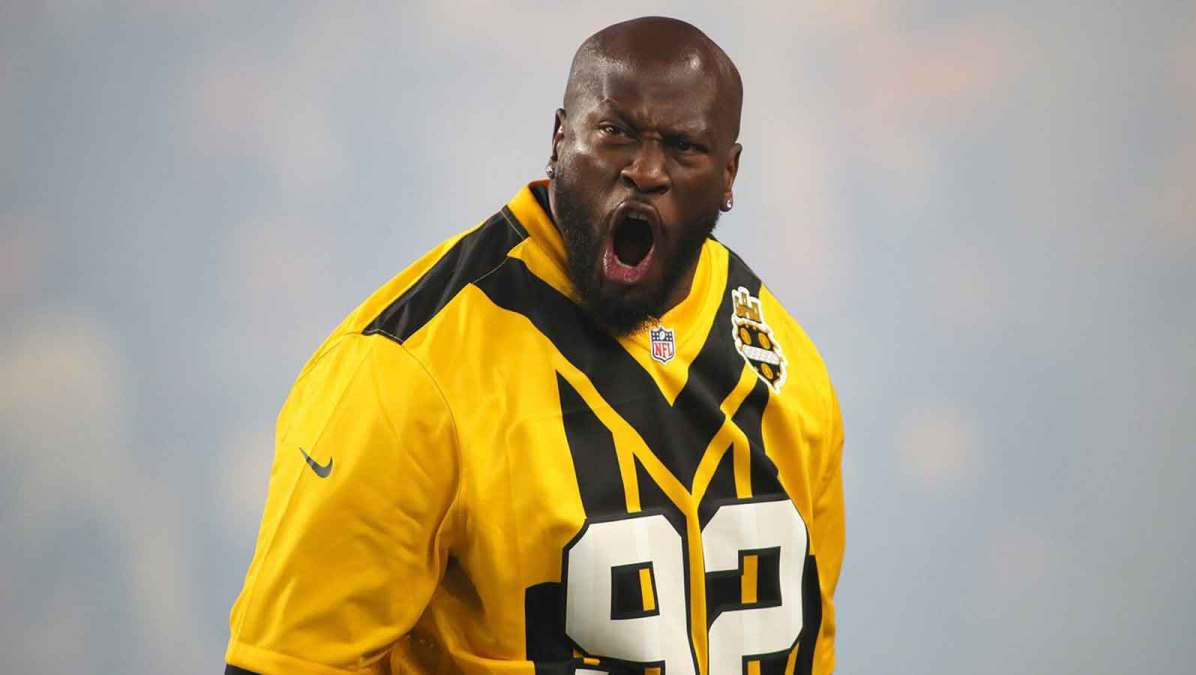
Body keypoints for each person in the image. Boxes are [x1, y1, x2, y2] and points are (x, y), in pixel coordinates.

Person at [225, 16, 844, 675]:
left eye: (685, 147)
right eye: (615, 133)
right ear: (558, 139)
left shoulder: (787, 371)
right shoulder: (402, 371)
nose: (645, 170)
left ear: (729, 175)